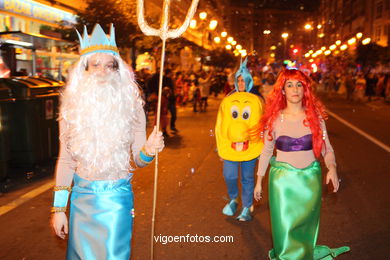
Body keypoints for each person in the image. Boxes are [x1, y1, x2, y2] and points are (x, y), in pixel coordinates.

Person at [50, 24, 164, 259]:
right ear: (85, 70)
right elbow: (66, 161)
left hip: (117, 200)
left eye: (109, 65)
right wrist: (60, 209)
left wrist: (149, 150)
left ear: (118, 69)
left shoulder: (132, 107)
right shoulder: (71, 109)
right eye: (96, 65)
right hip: (82, 199)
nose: (103, 71)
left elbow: (138, 160)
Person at [253, 69, 349, 259]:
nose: (295, 89)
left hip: (310, 182)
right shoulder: (274, 120)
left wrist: (332, 168)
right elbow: (266, 151)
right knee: (285, 229)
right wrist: (258, 180)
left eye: (299, 85)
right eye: (289, 85)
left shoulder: (316, 118)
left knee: (306, 228)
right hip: (282, 183)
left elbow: (327, 149)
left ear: (305, 90)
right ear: (282, 90)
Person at [216, 58, 264, 221]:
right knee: (229, 175)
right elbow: (221, 124)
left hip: (250, 146)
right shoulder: (229, 99)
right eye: (239, 80)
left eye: (244, 80)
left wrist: (261, 146)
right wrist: (221, 146)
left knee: (248, 177)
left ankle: (246, 207)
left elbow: (262, 125)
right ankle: (233, 198)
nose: (241, 83)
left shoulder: (258, 100)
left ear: (249, 81)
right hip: (230, 146)